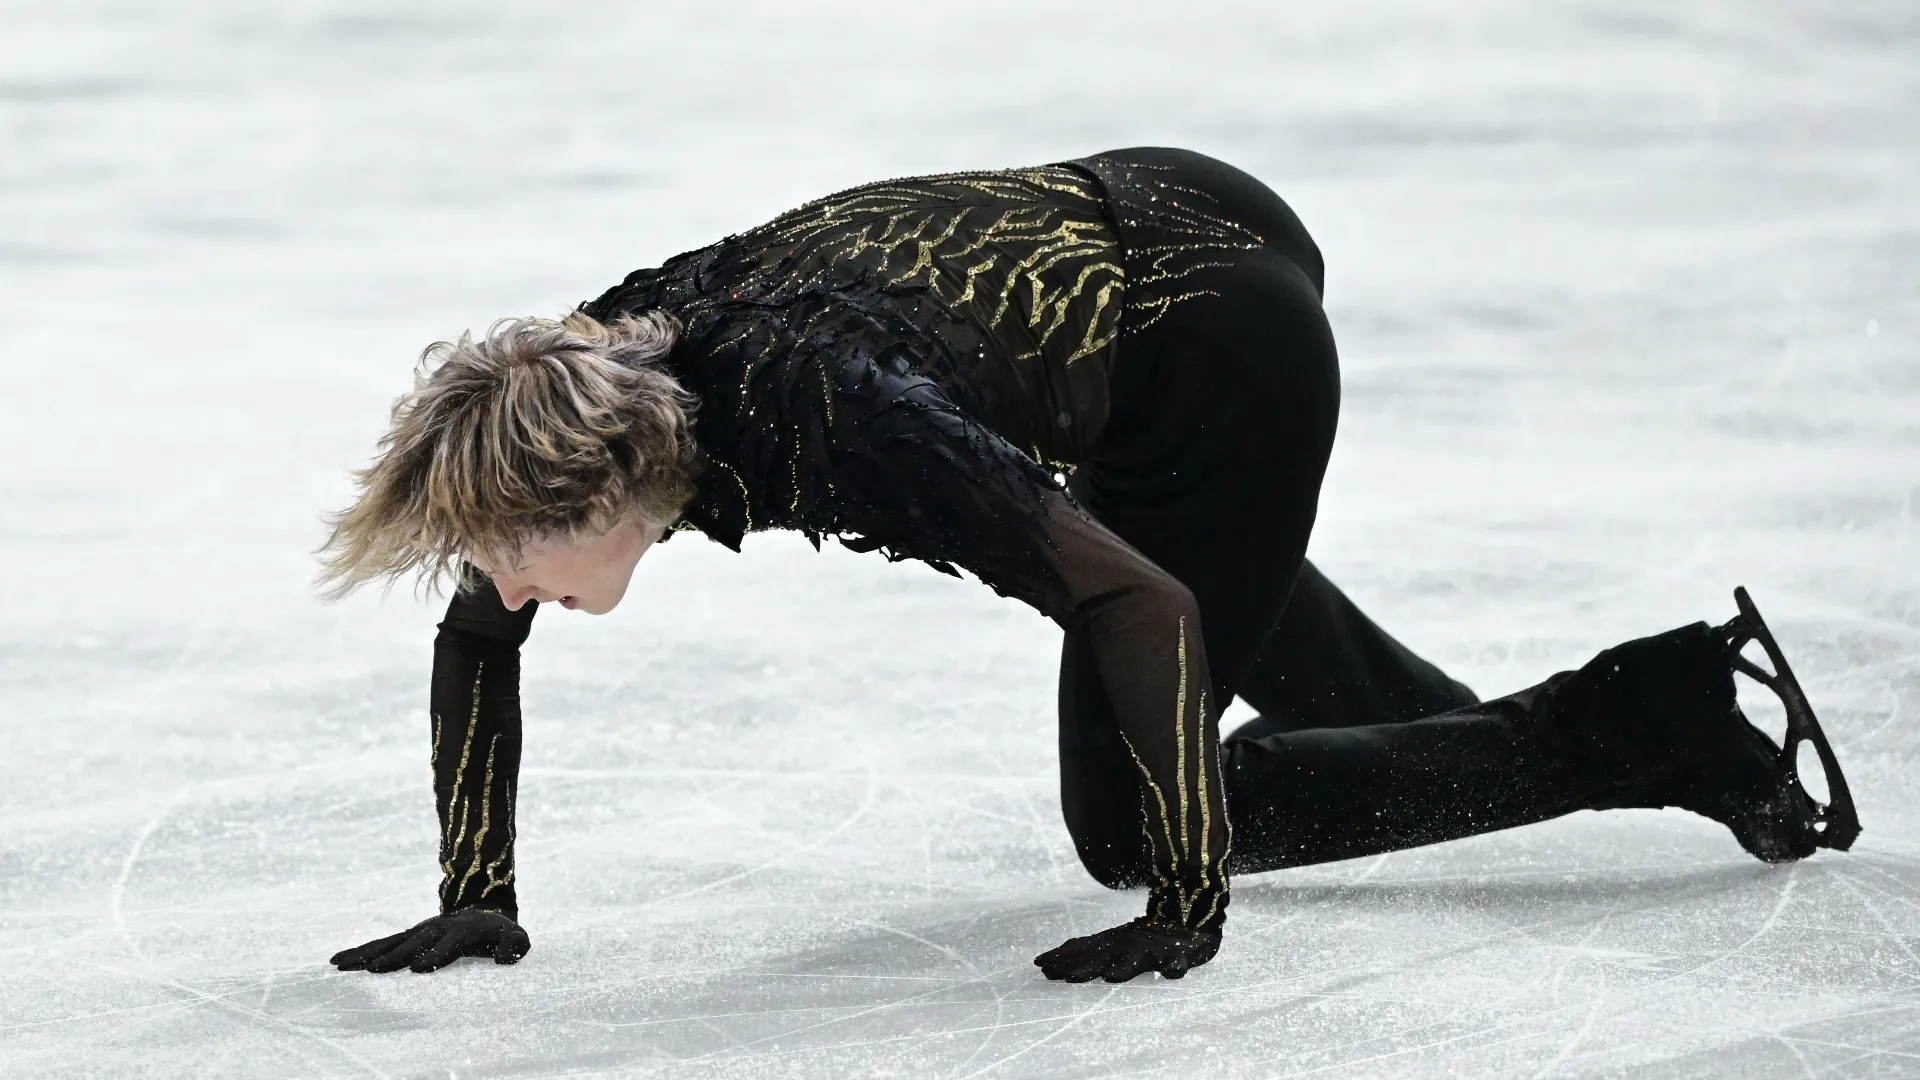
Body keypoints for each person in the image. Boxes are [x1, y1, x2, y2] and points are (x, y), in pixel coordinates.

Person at [317, 148, 1859, 984]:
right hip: (1164, 218)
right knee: (1273, 648)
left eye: (518, 554)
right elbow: (480, 630)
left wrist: (1184, 896)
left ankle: (1650, 716)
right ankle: (1514, 737)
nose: (505, 585)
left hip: (1217, 343)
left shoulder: (836, 423)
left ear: (607, 481)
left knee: (1123, 809)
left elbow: (1141, 601)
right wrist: (478, 895)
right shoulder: (589, 379)